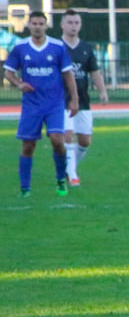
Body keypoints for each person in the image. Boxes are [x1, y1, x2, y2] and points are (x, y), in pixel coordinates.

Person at [4, 11, 78, 197]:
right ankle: (25, 188)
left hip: (54, 103)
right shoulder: (21, 47)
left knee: (57, 140)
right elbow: (8, 72)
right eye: (34, 23)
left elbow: (68, 74)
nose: (37, 26)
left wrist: (74, 99)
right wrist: (19, 84)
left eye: (41, 23)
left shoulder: (57, 46)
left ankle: (61, 179)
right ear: (29, 25)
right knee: (28, 145)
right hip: (31, 105)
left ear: (46, 26)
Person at [60, 9, 108, 186]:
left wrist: (102, 91)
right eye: (70, 22)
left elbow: (94, 72)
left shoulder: (86, 49)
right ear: (62, 24)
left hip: (83, 100)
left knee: (85, 141)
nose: (73, 26)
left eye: (76, 23)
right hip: (62, 100)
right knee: (67, 135)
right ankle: (72, 174)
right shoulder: (57, 47)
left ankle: (70, 168)